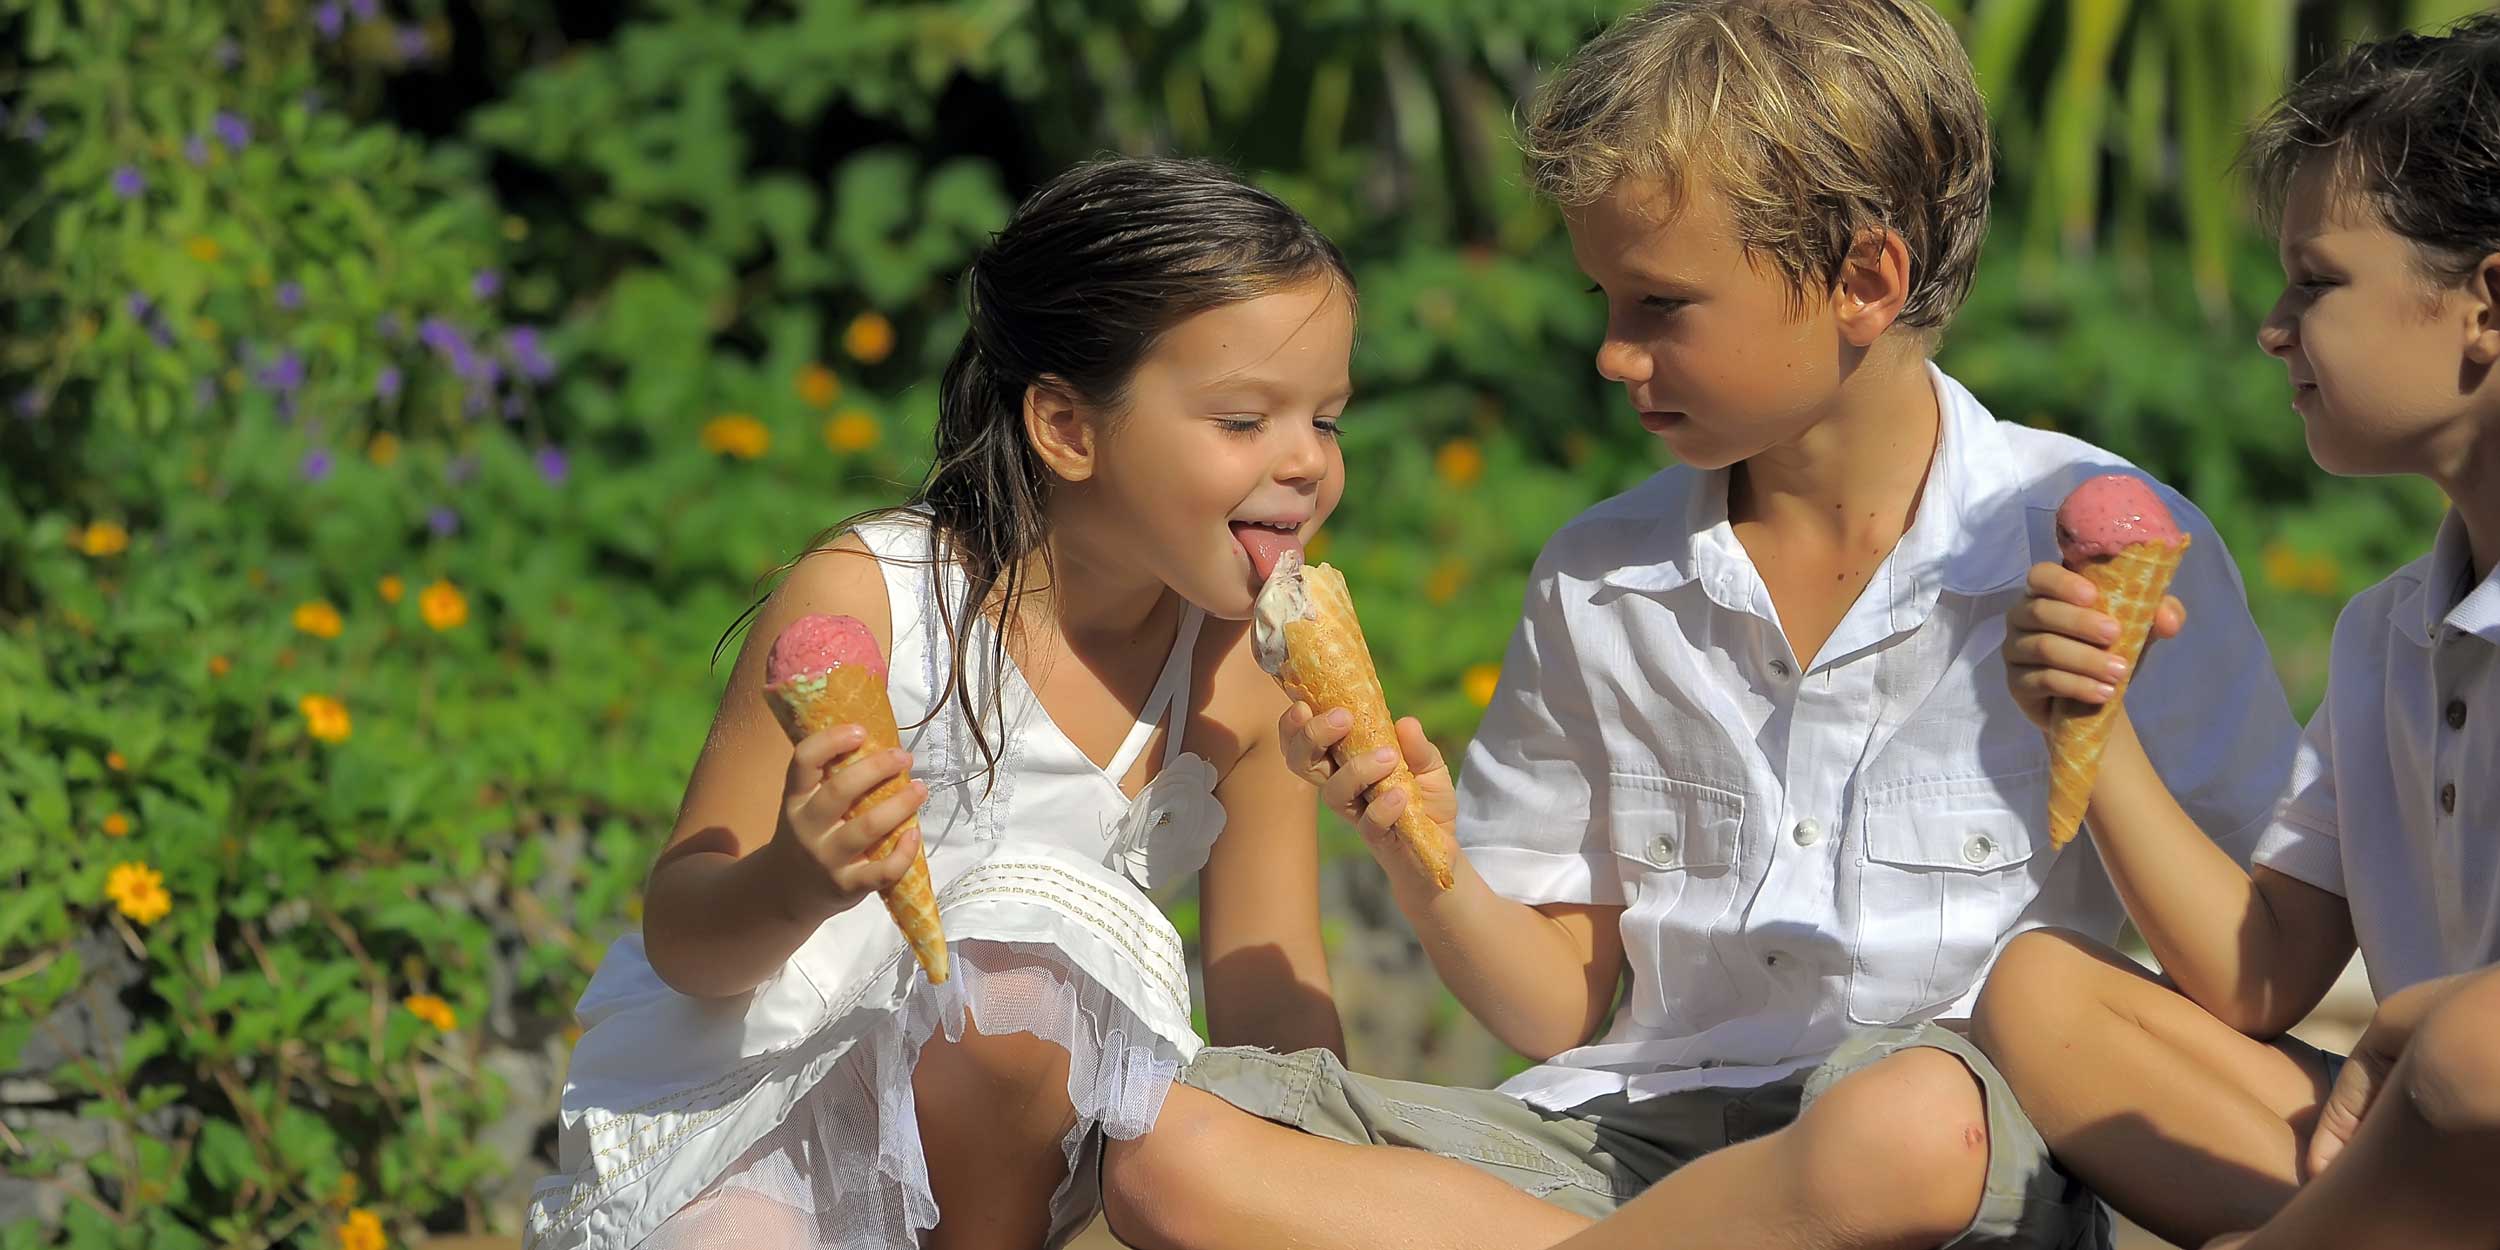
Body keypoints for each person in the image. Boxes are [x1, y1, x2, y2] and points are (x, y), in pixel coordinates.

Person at [1098, 4, 2297, 1248]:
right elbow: (1555, 1007)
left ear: (1865, 282)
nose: (1613, 354)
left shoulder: (2095, 545)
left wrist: (2098, 731)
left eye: (1660, 305)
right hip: (1634, 1147)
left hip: (1939, 1142)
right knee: (1169, 1145)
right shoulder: (1600, 575)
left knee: (1906, 1123)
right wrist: (1416, 847)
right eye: (1606, 300)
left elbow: (2247, 974)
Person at [524, 156, 1360, 1250]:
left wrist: (1323, 1190)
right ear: (1068, 428)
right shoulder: (870, 601)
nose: (1305, 462)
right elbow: (684, 937)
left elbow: (1272, 1012)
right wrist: (793, 878)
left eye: (1328, 420)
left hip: (1007, 1172)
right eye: (1245, 421)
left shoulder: (1242, 670)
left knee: (1025, 973)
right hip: (767, 1117)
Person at [1977, 17, 2500, 1249]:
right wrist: (2092, 719)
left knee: (2467, 1054)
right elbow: (2258, 968)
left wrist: (2430, 1032)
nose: (2272, 325)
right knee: (2042, 993)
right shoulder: (2385, 636)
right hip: (2429, 1169)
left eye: (2315, 280)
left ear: (2487, 303)